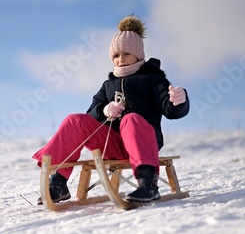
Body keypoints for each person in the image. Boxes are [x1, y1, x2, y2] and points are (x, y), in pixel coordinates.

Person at [32, 15, 190, 203]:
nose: (120, 59)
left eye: (126, 54)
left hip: (143, 142)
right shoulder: (108, 85)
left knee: (130, 119)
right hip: (111, 144)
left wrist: (179, 101)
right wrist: (104, 110)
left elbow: (171, 110)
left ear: (138, 55)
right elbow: (90, 115)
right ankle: (57, 182)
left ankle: (148, 184)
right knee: (74, 120)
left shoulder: (153, 79)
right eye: (116, 55)